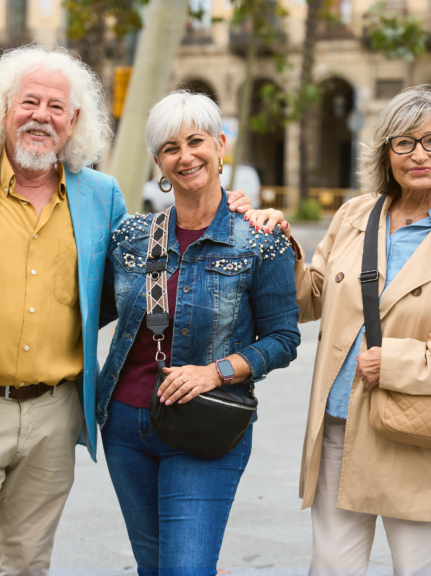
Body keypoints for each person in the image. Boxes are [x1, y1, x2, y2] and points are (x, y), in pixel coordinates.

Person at [0, 50, 250, 574]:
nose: (41, 115)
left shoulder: (100, 195)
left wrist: (241, 213)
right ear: (3, 110)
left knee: (29, 564)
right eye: (28, 102)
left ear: (74, 121)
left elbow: (145, 278)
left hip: (56, 413)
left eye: (56, 106)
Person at [249, 86, 431, 574]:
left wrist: (398, 362)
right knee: (331, 568)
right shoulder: (354, 215)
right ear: (386, 154)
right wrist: (280, 247)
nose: (419, 154)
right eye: (403, 143)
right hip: (340, 429)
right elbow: (308, 299)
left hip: (420, 438)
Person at [96, 91, 301, 575]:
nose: (185, 156)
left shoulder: (259, 239)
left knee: (185, 569)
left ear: (220, 144)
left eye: (196, 141)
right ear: (158, 164)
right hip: (125, 426)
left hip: (206, 425)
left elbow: (284, 339)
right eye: (170, 148)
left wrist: (216, 372)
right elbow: (91, 312)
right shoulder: (130, 236)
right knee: (153, 567)